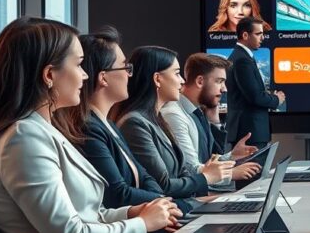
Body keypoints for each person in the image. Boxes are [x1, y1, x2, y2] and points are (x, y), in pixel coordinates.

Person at [0, 17, 179, 233]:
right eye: (79, 65)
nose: (85, 75)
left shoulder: (38, 131)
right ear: (49, 74)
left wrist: (131, 213)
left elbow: (85, 216)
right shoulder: (23, 139)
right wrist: (142, 224)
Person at [54, 27, 196, 216]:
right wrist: (170, 204)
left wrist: (164, 201)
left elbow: (144, 176)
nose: (130, 74)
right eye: (125, 67)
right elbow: (117, 193)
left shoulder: (109, 125)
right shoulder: (89, 128)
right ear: (103, 78)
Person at [113, 46, 234, 200]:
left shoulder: (157, 118)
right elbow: (163, 186)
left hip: (182, 204)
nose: (182, 81)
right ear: (157, 79)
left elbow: (182, 172)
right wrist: (206, 177)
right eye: (177, 74)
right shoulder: (135, 123)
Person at [161, 53, 260, 191]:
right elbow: (191, 170)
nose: (224, 89)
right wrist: (231, 173)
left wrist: (231, 156)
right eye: (219, 81)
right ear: (200, 81)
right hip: (192, 198)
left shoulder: (197, 112)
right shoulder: (174, 115)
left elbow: (207, 164)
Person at [226, 17, 286, 149]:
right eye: (258, 34)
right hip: (249, 133)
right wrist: (276, 99)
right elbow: (255, 96)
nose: (263, 38)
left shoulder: (242, 57)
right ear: (245, 35)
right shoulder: (242, 60)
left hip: (250, 132)